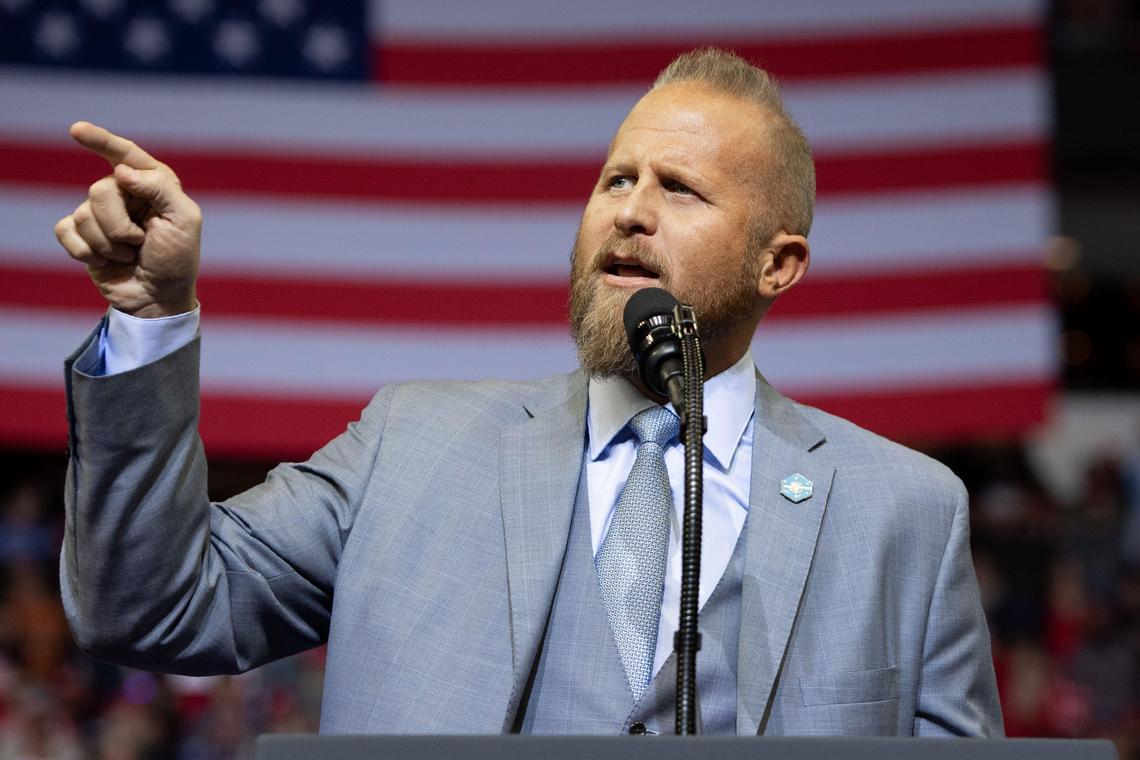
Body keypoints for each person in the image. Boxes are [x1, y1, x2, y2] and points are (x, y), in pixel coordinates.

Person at [53, 48, 1003, 736]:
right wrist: (151, 316)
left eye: (680, 189)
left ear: (778, 263)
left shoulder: (906, 513)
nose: (628, 209)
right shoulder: (409, 444)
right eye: (614, 178)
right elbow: (151, 605)